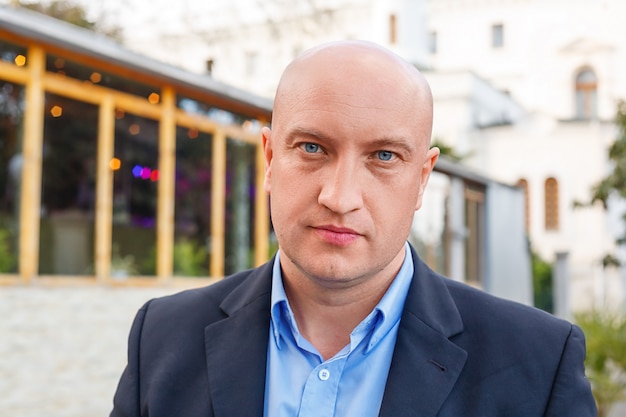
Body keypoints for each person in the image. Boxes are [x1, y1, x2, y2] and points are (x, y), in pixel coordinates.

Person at [110, 41, 597, 417]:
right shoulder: (162, 339)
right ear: (270, 158)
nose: (340, 198)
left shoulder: (538, 363)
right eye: (312, 148)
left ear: (421, 178)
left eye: (384, 156)